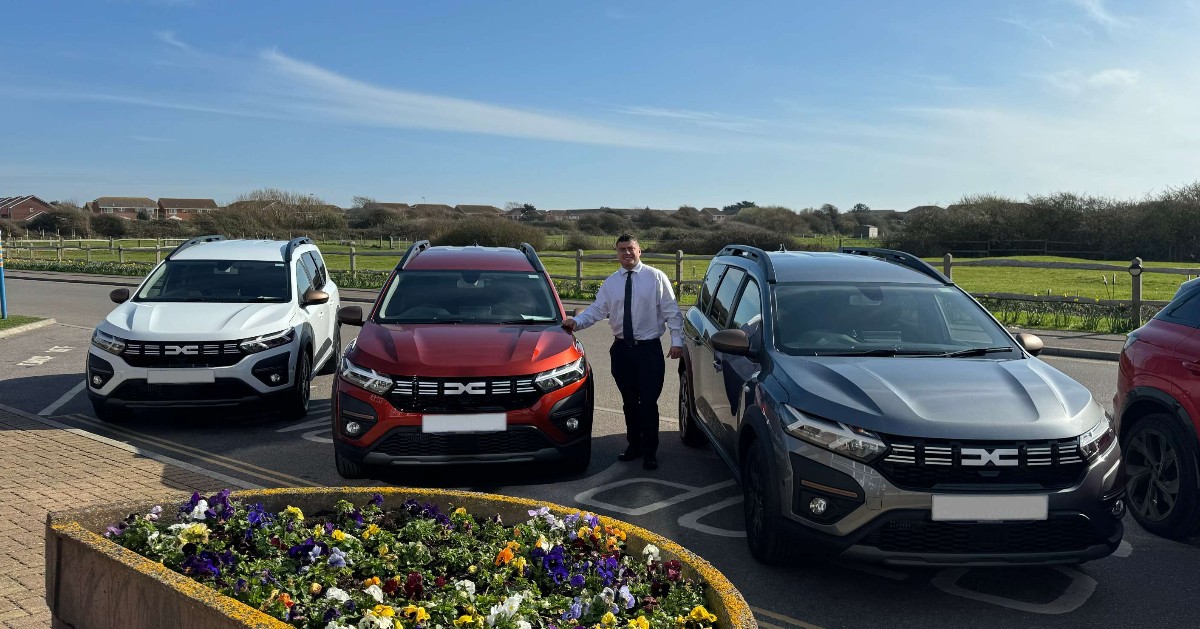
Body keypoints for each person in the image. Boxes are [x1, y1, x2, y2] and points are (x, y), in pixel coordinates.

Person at [562, 234, 683, 470]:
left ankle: (650, 451)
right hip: (621, 351)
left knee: (648, 403)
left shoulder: (655, 277)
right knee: (629, 402)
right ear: (616, 253)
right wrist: (576, 322)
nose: (626, 253)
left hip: (648, 351)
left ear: (640, 251)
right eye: (621, 249)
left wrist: (676, 341)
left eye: (630, 248)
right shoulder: (611, 282)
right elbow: (597, 310)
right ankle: (633, 445)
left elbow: (672, 311)